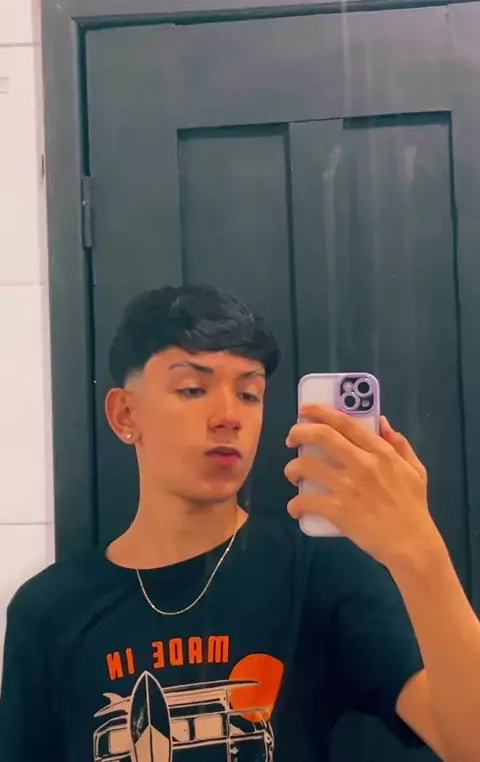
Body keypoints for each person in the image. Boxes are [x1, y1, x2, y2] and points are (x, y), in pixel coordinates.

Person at [1, 285, 479, 762]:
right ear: (125, 414)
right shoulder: (50, 611)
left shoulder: (318, 576)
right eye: (193, 389)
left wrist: (419, 552)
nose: (229, 417)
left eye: (249, 394)